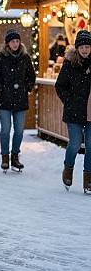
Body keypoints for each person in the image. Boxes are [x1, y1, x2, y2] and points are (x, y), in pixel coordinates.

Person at [0, 30, 36, 172]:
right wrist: (0, 88)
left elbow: (31, 76)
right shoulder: (0, 57)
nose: (15, 44)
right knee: (6, 129)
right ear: (7, 43)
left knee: (19, 130)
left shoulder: (25, 57)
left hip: (20, 99)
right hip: (4, 100)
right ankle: (5, 157)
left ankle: (15, 156)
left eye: (17, 41)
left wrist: (27, 87)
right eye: (12, 41)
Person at [55, 30, 91, 194]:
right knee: (75, 143)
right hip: (74, 112)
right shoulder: (69, 64)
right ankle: (68, 168)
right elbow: (60, 86)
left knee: (90, 146)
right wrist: (69, 101)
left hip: (90, 112)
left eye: (87, 47)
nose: (85, 50)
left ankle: (88, 179)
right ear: (77, 48)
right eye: (82, 47)